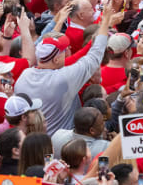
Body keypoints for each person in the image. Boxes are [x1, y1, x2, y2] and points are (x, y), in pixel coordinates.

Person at [14, 7, 113, 135]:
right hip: (61, 143)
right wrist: (105, 23)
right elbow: (94, 56)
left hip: (33, 143)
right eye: (64, 50)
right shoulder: (63, 78)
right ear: (55, 59)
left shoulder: (24, 75)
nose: (68, 50)